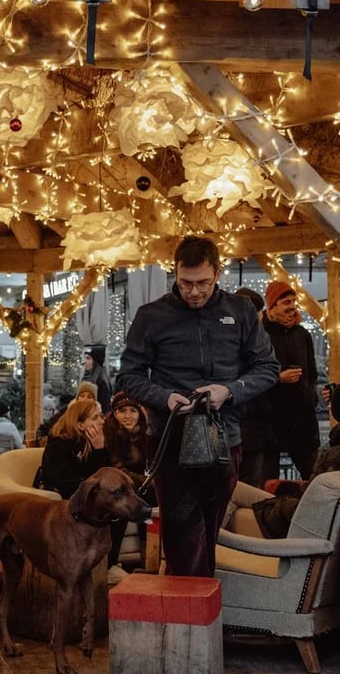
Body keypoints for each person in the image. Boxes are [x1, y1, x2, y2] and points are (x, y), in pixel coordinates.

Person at [117, 236, 279, 577]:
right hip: (169, 438)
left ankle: (197, 610)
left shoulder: (241, 311)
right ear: (174, 273)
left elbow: (268, 369)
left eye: (203, 283)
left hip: (226, 438)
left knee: (208, 530)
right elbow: (128, 376)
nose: (194, 292)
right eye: (186, 283)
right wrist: (164, 397)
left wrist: (230, 391)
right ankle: (193, 616)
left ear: (218, 274)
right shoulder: (151, 316)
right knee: (182, 535)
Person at [238, 281, 319, 485]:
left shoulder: (302, 334)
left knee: (316, 478)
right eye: (286, 302)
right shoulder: (259, 334)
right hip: (269, 422)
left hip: (301, 421)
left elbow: (312, 372)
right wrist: (278, 378)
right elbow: (250, 373)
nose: (292, 307)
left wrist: (311, 395)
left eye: (294, 301)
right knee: (266, 482)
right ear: (272, 306)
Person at [103, 391, 153, 581]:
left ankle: (149, 561)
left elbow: (153, 463)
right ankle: (110, 564)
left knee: (157, 503)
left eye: (133, 410)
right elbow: (117, 470)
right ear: (115, 413)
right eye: (122, 410)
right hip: (120, 487)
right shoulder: (110, 434)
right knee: (126, 507)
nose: (128, 415)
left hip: (142, 486)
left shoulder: (145, 434)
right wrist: (146, 482)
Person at [33, 398, 109, 498]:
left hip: (82, 494)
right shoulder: (58, 445)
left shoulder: (92, 441)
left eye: (101, 416)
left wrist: (99, 449)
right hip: (57, 499)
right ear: (80, 425)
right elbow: (67, 484)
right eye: (95, 418)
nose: (102, 421)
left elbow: (104, 475)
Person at [83, 346, 113, 413]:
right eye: (85, 358)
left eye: (88, 358)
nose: (85, 362)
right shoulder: (88, 378)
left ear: (95, 361)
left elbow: (105, 408)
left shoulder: (100, 382)